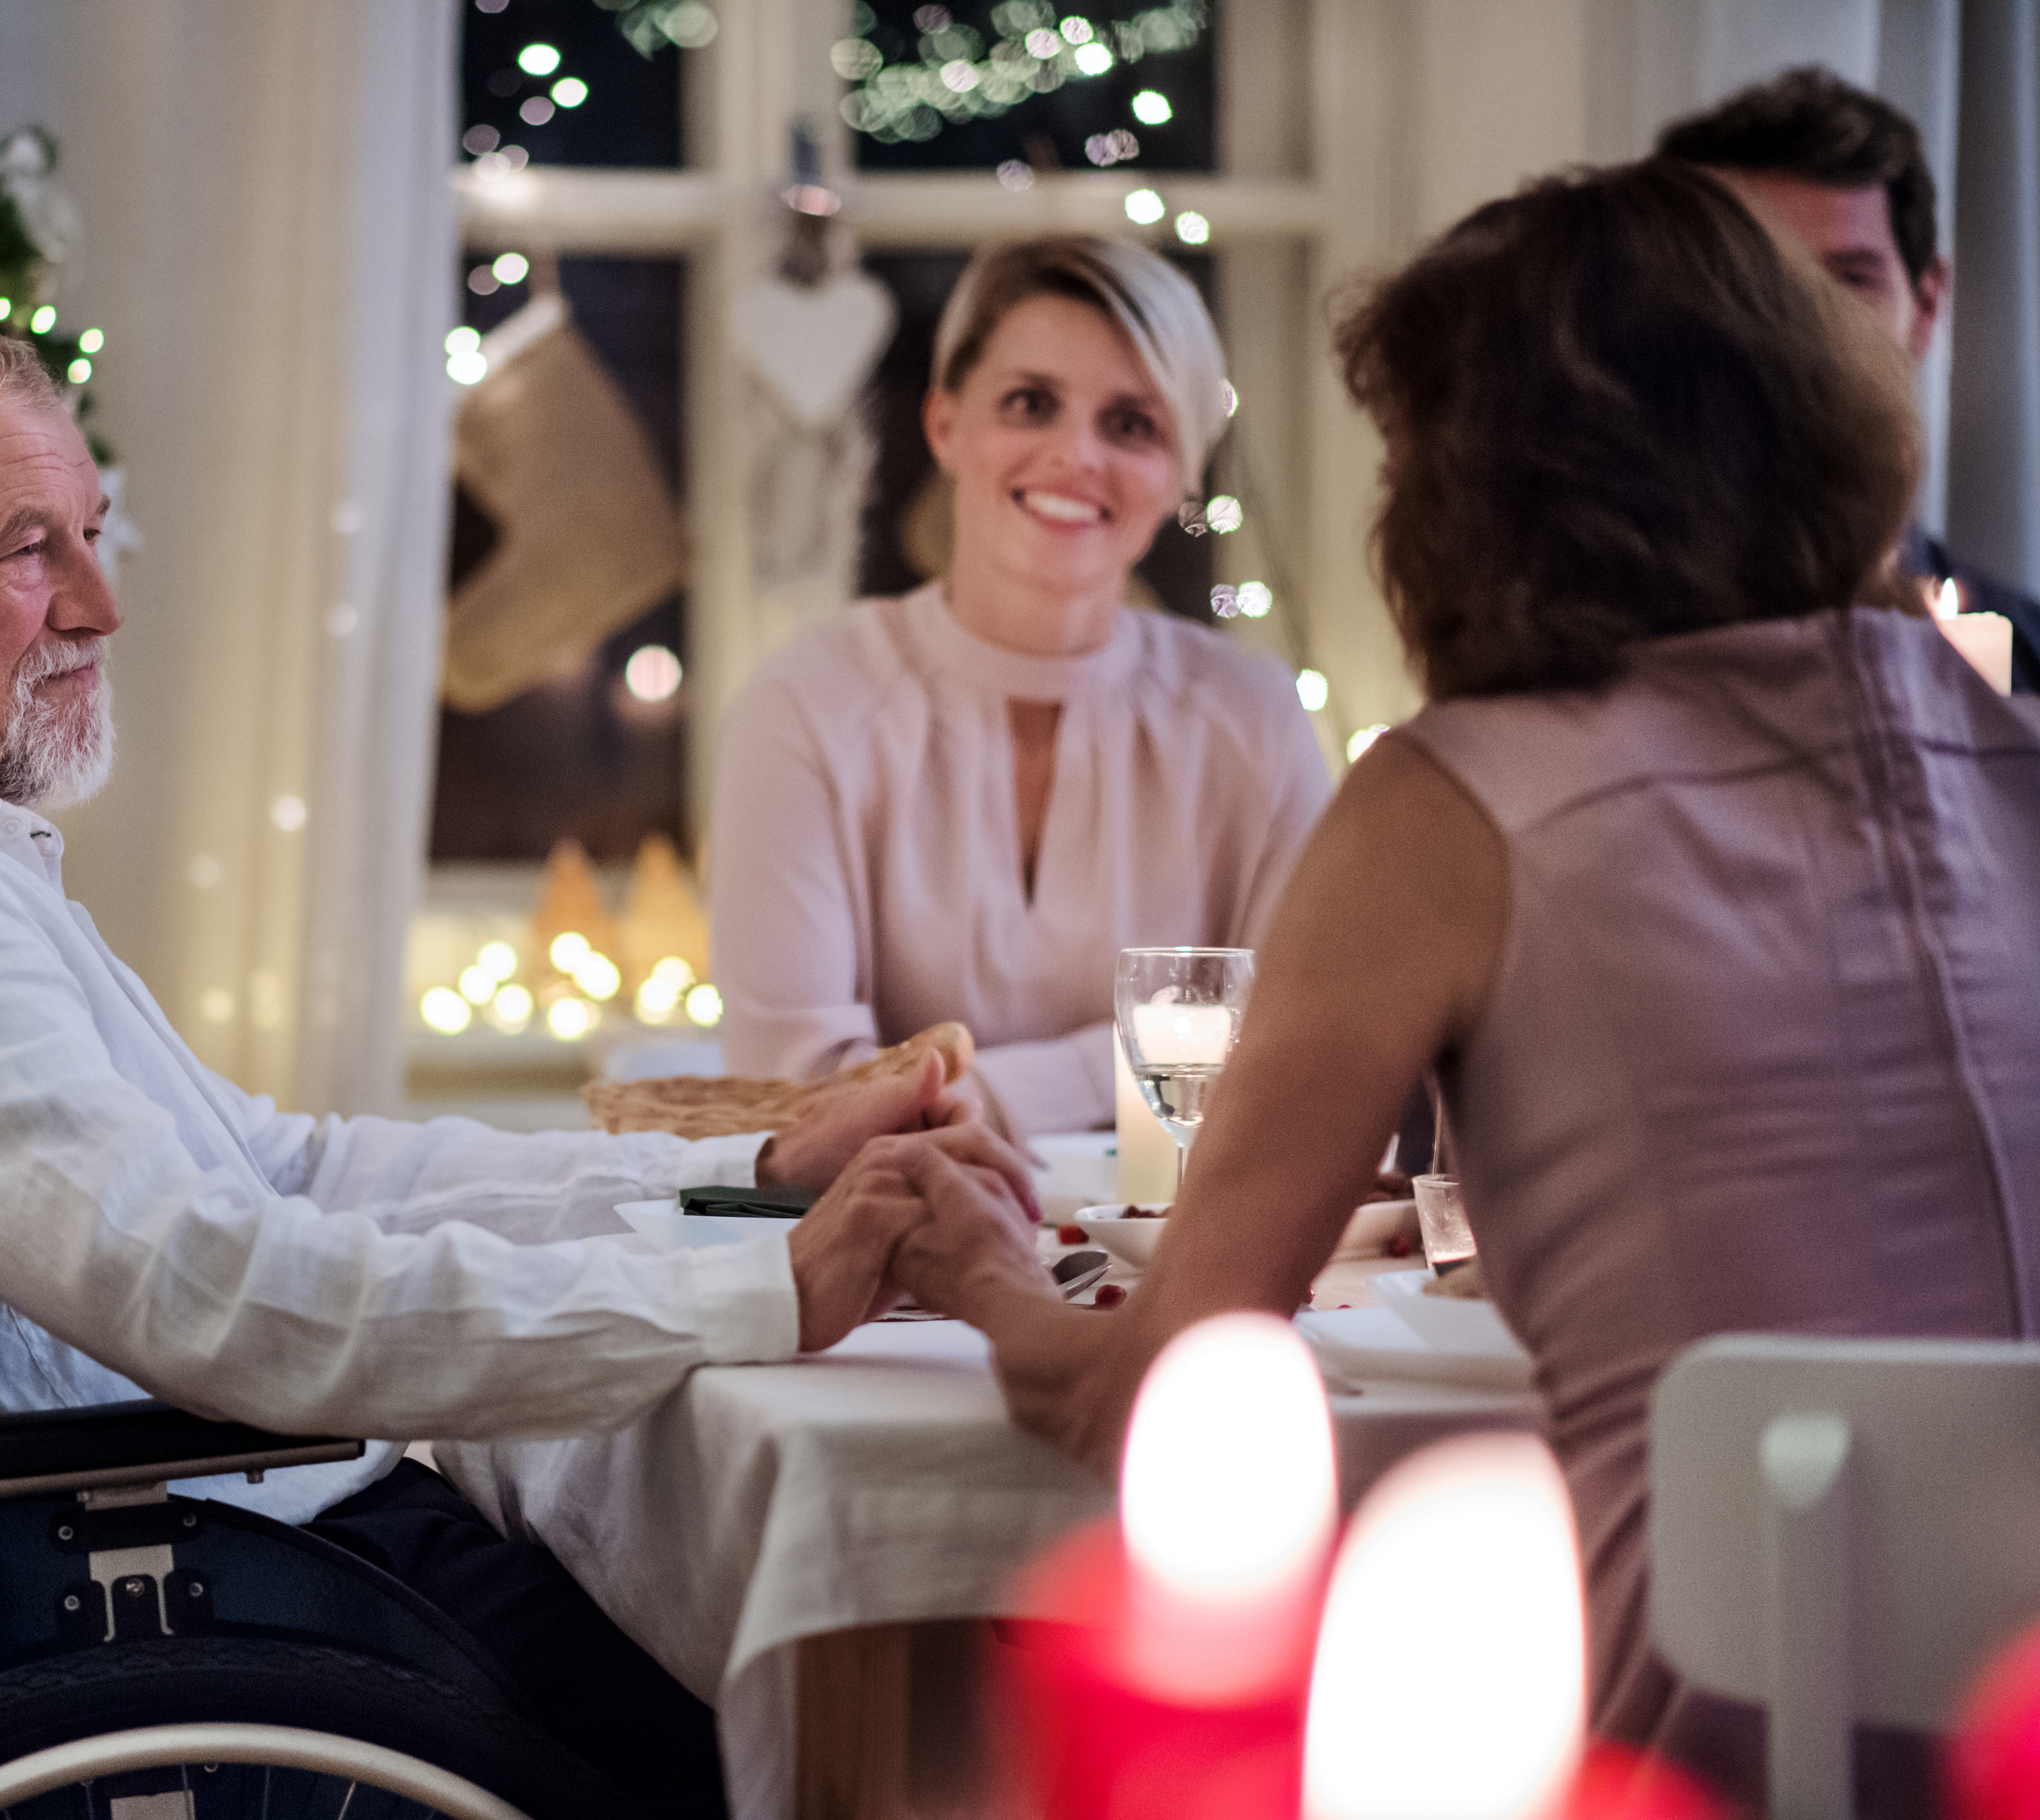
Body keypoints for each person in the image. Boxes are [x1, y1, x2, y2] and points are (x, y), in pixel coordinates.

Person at [0, 299, 1044, 1815]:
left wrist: (748, 1178)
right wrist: (773, 1283)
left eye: (92, 533)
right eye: (32, 548)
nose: (100, 601)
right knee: (858, 1738)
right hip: (226, 1591)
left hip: (245, 1545)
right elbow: (215, 1288)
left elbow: (288, 1171)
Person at [901, 162, 2040, 1811]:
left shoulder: (1448, 798)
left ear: (1466, 490)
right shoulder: (2007, 740)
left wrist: (983, 1269)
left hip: (1671, 1746)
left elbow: (1156, 1390)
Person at [708, 235, 1332, 1139]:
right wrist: (1152, 1054)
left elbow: (1295, 1055)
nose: (1074, 455)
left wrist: (981, 1095)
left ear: (1181, 472)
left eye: (1132, 425)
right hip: (885, 1255)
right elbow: (797, 1100)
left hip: (1187, 1258)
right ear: (943, 425)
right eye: (1030, 403)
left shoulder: (1255, 719)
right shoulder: (804, 705)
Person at [1660, 64, 2040, 693]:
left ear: (1926, 308)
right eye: (1751, 285)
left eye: (1848, 282)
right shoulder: (1586, 665)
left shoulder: (2020, 667)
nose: (1799, 329)